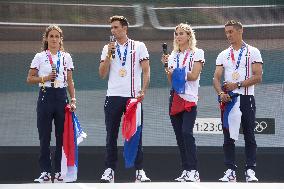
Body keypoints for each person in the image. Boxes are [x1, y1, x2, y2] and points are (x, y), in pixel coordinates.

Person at [98, 15, 151, 183]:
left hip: (132, 97)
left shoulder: (139, 46)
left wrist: (143, 90)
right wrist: (109, 55)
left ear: (124, 28)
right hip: (113, 96)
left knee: (136, 135)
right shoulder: (108, 48)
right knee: (111, 135)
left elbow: (146, 71)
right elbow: (102, 74)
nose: (113, 30)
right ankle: (109, 170)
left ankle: (139, 171)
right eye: (111, 28)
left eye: (116, 27)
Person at [213, 20, 263, 182]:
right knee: (228, 136)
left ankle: (250, 170)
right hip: (229, 100)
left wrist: (238, 84)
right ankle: (230, 170)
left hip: (246, 98)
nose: (228, 35)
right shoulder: (223, 54)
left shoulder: (253, 52)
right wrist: (221, 92)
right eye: (226, 32)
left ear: (241, 31)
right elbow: (216, 78)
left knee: (249, 134)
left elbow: (258, 76)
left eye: (231, 32)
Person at [27, 25, 76, 183]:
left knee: (62, 137)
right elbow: (29, 79)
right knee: (44, 136)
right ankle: (45, 172)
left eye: (57, 36)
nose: (54, 39)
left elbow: (70, 80)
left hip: (61, 97)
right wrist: (46, 78)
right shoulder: (40, 56)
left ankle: (60, 172)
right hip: (45, 96)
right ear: (46, 39)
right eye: (51, 36)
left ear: (61, 39)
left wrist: (73, 99)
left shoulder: (66, 57)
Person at [161, 23, 204, 182]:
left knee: (187, 133)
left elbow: (193, 76)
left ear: (189, 36)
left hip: (190, 98)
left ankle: (194, 170)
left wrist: (176, 71)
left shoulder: (197, 53)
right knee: (179, 136)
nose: (178, 37)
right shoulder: (172, 56)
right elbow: (171, 80)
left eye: (181, 34)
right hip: (175, 97)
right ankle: (186, 170)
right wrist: (167, 68)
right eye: (176, 34)